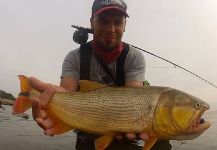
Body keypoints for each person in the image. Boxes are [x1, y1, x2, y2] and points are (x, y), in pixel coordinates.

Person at [29, 0, 171, 149]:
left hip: (122, 131)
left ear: (125, 25)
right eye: (103, 21)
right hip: (85, 126)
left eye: (117, 22)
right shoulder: (74, 57)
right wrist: (46, 106)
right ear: (91, 23)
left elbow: (134, 98)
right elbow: (66, 94)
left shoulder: (134, 57)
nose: (111, 29)